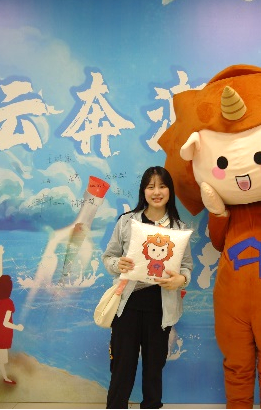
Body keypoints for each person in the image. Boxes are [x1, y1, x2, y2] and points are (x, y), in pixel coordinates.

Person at [101, 166, 193, 409]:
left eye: (162, 186)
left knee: (154, 369)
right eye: (151, 187)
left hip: (161, 308)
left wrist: (181, 280)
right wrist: (117, 264)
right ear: (143, 191)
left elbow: (186, 267)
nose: (156, 192)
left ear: (170, 191)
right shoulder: (127, 222)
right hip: (127, 305)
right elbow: (109, 258)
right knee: (122, 367)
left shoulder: (179, 228)